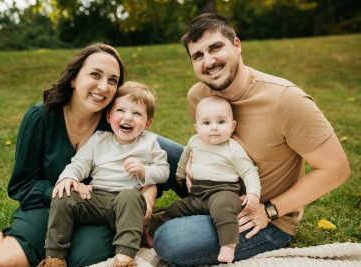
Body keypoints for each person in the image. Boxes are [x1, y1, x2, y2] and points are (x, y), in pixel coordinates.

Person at [0, 43, 184, 267]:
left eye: (113, 80)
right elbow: (21, 186)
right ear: (74, 78)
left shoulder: (115, 123)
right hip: (49, 204)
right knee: (7, 261)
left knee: (85, 260)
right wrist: (64, 189)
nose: (103, 86)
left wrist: (150, 187)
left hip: (99, 209)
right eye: (95, 75)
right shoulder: (40, 117)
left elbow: (158, 154)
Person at [153, 13, 350, 266]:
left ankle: (175, 222)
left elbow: (336, 169)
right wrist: (191, 160)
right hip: (210, 188)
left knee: (169, 240)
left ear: (237, 45)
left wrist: (270, 210)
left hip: (259, 217)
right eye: (198, 56)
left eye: (215, 48)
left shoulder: (286, 100)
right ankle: (121, 211)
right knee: (154, 145)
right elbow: (206, 141)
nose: (209, 61)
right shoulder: (198, 95)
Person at [38, 81, 169, 267]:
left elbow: (163, 171)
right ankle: (55, 257)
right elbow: (79, 163)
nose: (128, 117)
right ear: (108, 116)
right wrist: (69, 177)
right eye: (121, 111)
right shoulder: (99, 140)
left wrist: (144, 170)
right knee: (64, 196)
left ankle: (124, 258)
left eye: (137, 113)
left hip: (126, 203)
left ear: (147, 123)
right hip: (96, 196)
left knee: (130, 196)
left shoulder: (149, 143)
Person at [163, 95, 261, 263]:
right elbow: (184, 160)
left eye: (221, 122)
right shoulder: (194, 141)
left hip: (224, 192)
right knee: (175, 209)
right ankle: (157, 228)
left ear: (233, 125)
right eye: (206, 123)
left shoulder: (233, 149)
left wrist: (253, 194)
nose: (214, 128)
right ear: (196, 127)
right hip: (198, 194)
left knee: (223, 209)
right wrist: (179, 176)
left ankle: (228, 244)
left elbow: (249, 172)